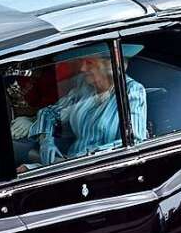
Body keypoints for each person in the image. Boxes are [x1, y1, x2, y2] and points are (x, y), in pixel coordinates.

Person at [14, 46, 147, 172]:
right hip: (70, 165)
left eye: (89, 63)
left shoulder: (132, 90)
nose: (83, 68)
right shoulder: (84, 88)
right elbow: (51, 112)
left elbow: (133, 142)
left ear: (109, 65)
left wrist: (79, 159)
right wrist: (46, 139)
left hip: (103, 170)